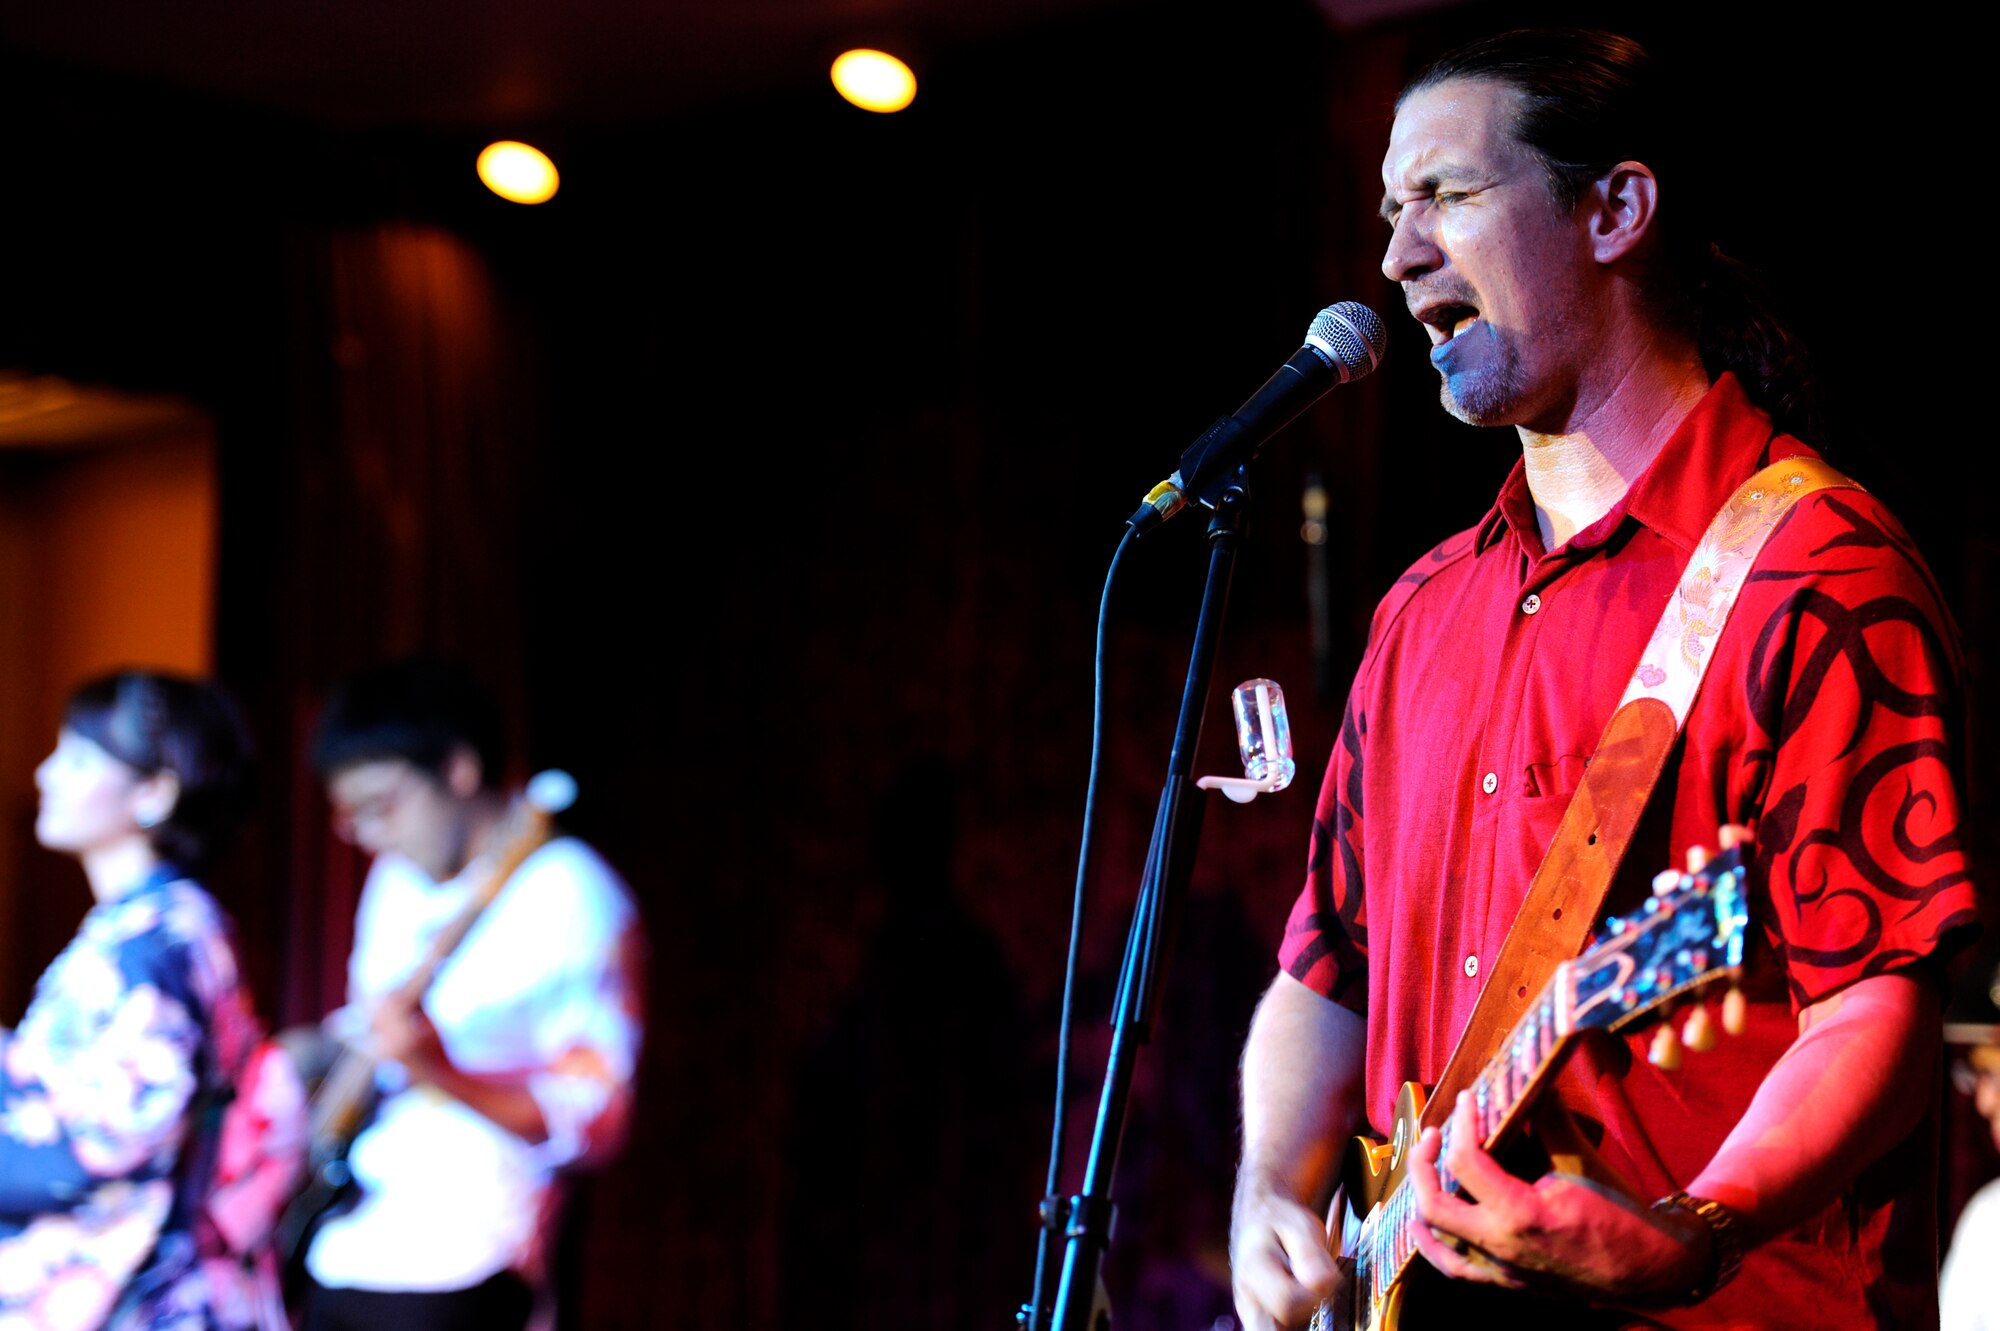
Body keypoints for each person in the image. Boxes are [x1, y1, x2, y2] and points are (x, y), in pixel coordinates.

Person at [1228, 28, 1976, 1330]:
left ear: (1617, 208)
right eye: (1392, 212)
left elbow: (1878, 997)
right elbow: (1322, 964)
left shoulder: (1815, 571)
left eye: (1449, 196)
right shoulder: (1421, 612)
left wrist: (1697, 1225)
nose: (1401, 256)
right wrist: (1266, 1191)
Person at [293, 659, 642, 1331]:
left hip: (464, 1261)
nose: (370, 834)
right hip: (345, 1241)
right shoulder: (395, 880)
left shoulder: (574, 895)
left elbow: (597, 1115)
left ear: (459, 768)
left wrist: (442, 1072)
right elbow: (372, 1024)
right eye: (352, 816)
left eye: (382, 806)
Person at [1, 670, 286, 1330]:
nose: (46, 774)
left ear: (155, 791)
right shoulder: (164, 924)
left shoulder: (150, 942)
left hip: (154, 1300)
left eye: (76, 757)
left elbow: (108, 1138)